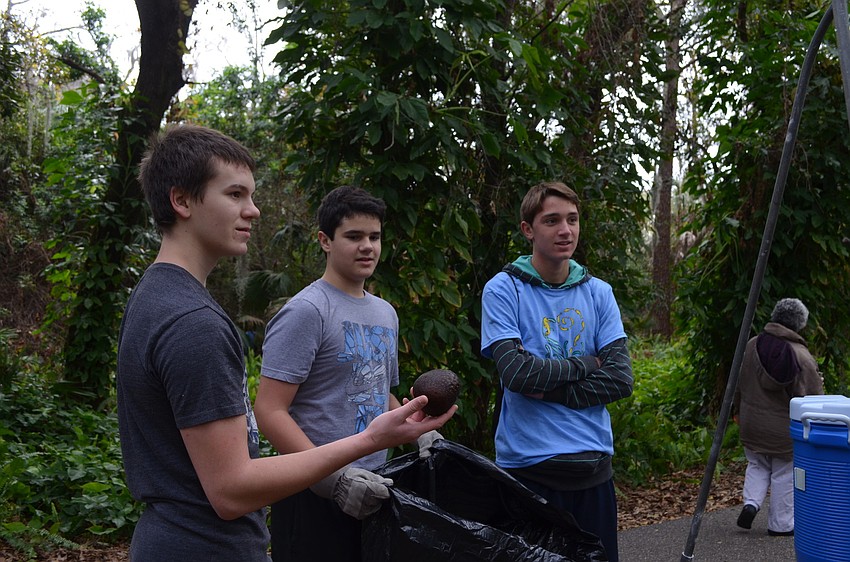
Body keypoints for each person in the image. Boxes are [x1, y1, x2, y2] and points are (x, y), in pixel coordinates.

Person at [116, 125, 455, 562]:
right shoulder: (195, 323)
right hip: (206, 545)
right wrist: (364, 446)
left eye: (251, 195)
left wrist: (405, 430)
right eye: (235, 194)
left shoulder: (155, 296)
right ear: (181, 201)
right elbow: (231, 490)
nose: (253, 210)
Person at [254, 185, 442, 562]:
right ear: (325, 240)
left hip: (376, 487)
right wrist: (331, 480)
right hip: (311, 494)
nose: (367, 247)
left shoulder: (386, 313)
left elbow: (380, 392)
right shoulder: (308, 311)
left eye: (374, 237)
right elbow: (269, 410)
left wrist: (420, 430)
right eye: (354, 236)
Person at [480, 180, 634, 561]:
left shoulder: (598, 292)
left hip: (594, 472)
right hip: (528, 474)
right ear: (528, 229)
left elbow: (619, 379)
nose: (565, 230)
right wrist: (586, 364)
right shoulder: (504, 290)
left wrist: (549, 390)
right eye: (552, 221)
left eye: (572, 219)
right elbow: (516, 375)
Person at [733, 297, 823, 536]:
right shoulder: (801, 356)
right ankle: (780, 525)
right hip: (783, 432)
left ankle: (751, 503)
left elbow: (740, 383)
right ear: (800, 323)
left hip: (751, 423)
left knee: (757, 464)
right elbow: (812, 399)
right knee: (784, 472)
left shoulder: (752, 344)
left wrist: (737, 411)